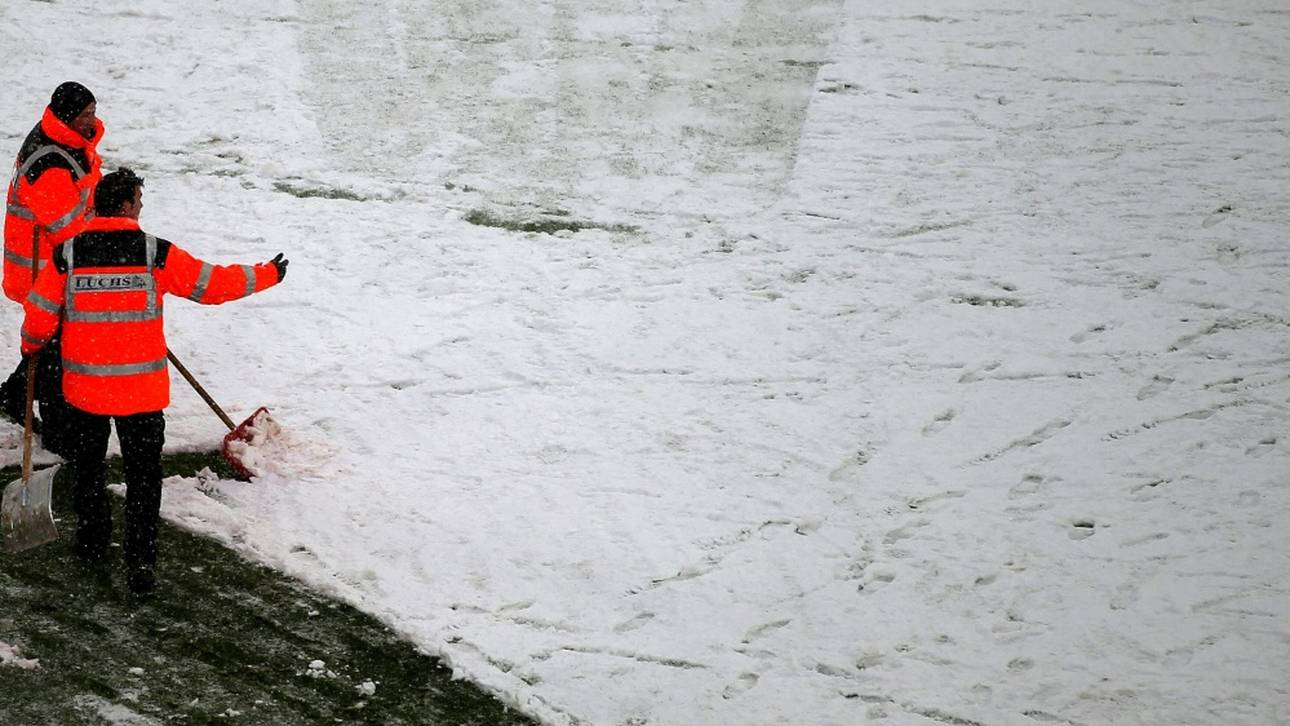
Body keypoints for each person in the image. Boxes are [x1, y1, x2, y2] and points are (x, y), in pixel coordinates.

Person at [20, 168, 289, 595]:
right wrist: (267, 274)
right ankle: (140, 562)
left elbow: (39, 313)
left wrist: (30, 345)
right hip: (140, 394)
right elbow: (212, 285)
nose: (142, 206)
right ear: (125, 204)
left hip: (85, 391)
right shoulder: (153, 253)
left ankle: (91, 541)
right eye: (139, 200)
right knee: (144, 479)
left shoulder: (68, 254)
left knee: (88, 469)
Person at [1, 81, 105, 456]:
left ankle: (14, 395)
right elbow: (68, 231)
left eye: (93, 111)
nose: (92, 121)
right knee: (56, 348)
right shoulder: (48, 165)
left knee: (48, 343)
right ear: (66, 118)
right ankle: (58, 432)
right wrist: (108, 235)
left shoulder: (68, 143)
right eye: (85, 116)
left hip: (53, 265)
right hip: (43, 270)